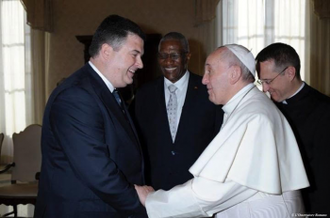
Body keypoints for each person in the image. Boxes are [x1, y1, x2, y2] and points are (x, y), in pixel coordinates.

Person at [135, 44, 310, 218]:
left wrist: (152, 200)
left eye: (210, 71)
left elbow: (212, 191)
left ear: (234, 74)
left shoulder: (254, 117)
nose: (204, 80)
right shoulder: (247, 108)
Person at [34, 15, 149, 218]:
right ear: (106, 51)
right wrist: (137, 198)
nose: (140, 64)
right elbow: (96, 170)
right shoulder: (76, 96)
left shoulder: (104, 91)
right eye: (134, 54)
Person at [130, 32, 222, 191]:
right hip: (155, 188)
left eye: (174, 55)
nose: (168, 61)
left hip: (198, 187)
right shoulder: (144, 94)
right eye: (163, 56)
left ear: (187, 56)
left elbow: (219, 138)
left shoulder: (208, 91)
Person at [256, 42, 330, 215]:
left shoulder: (324, 111)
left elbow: (325, 178)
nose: (264, 89)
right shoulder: (268, 105)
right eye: (262, 81)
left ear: (290, 73)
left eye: (268, 81)